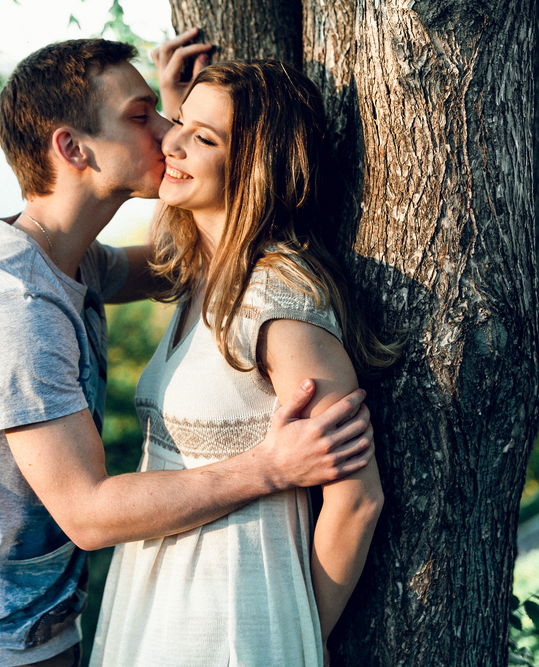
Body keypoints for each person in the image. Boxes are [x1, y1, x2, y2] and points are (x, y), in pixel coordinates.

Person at [0, 35, 378, 667]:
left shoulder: (67, 262)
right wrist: (270, 467)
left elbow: (182, 263)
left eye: (169, 120)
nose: (164, 131)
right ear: (73, 147)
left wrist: (188, 131)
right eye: (141, 117)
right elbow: (89, 515)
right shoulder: (14, 310)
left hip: (43, 626)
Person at [90, 57, 398, 667]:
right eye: (177, 123)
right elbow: (111, 261)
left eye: (204, 138)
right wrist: (183, 118)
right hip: (154, 600)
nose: (172, 142)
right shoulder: (199, 271)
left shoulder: (279, 300)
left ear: (254, 166)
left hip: (235, 614)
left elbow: (357, 500)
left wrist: (292, 634)